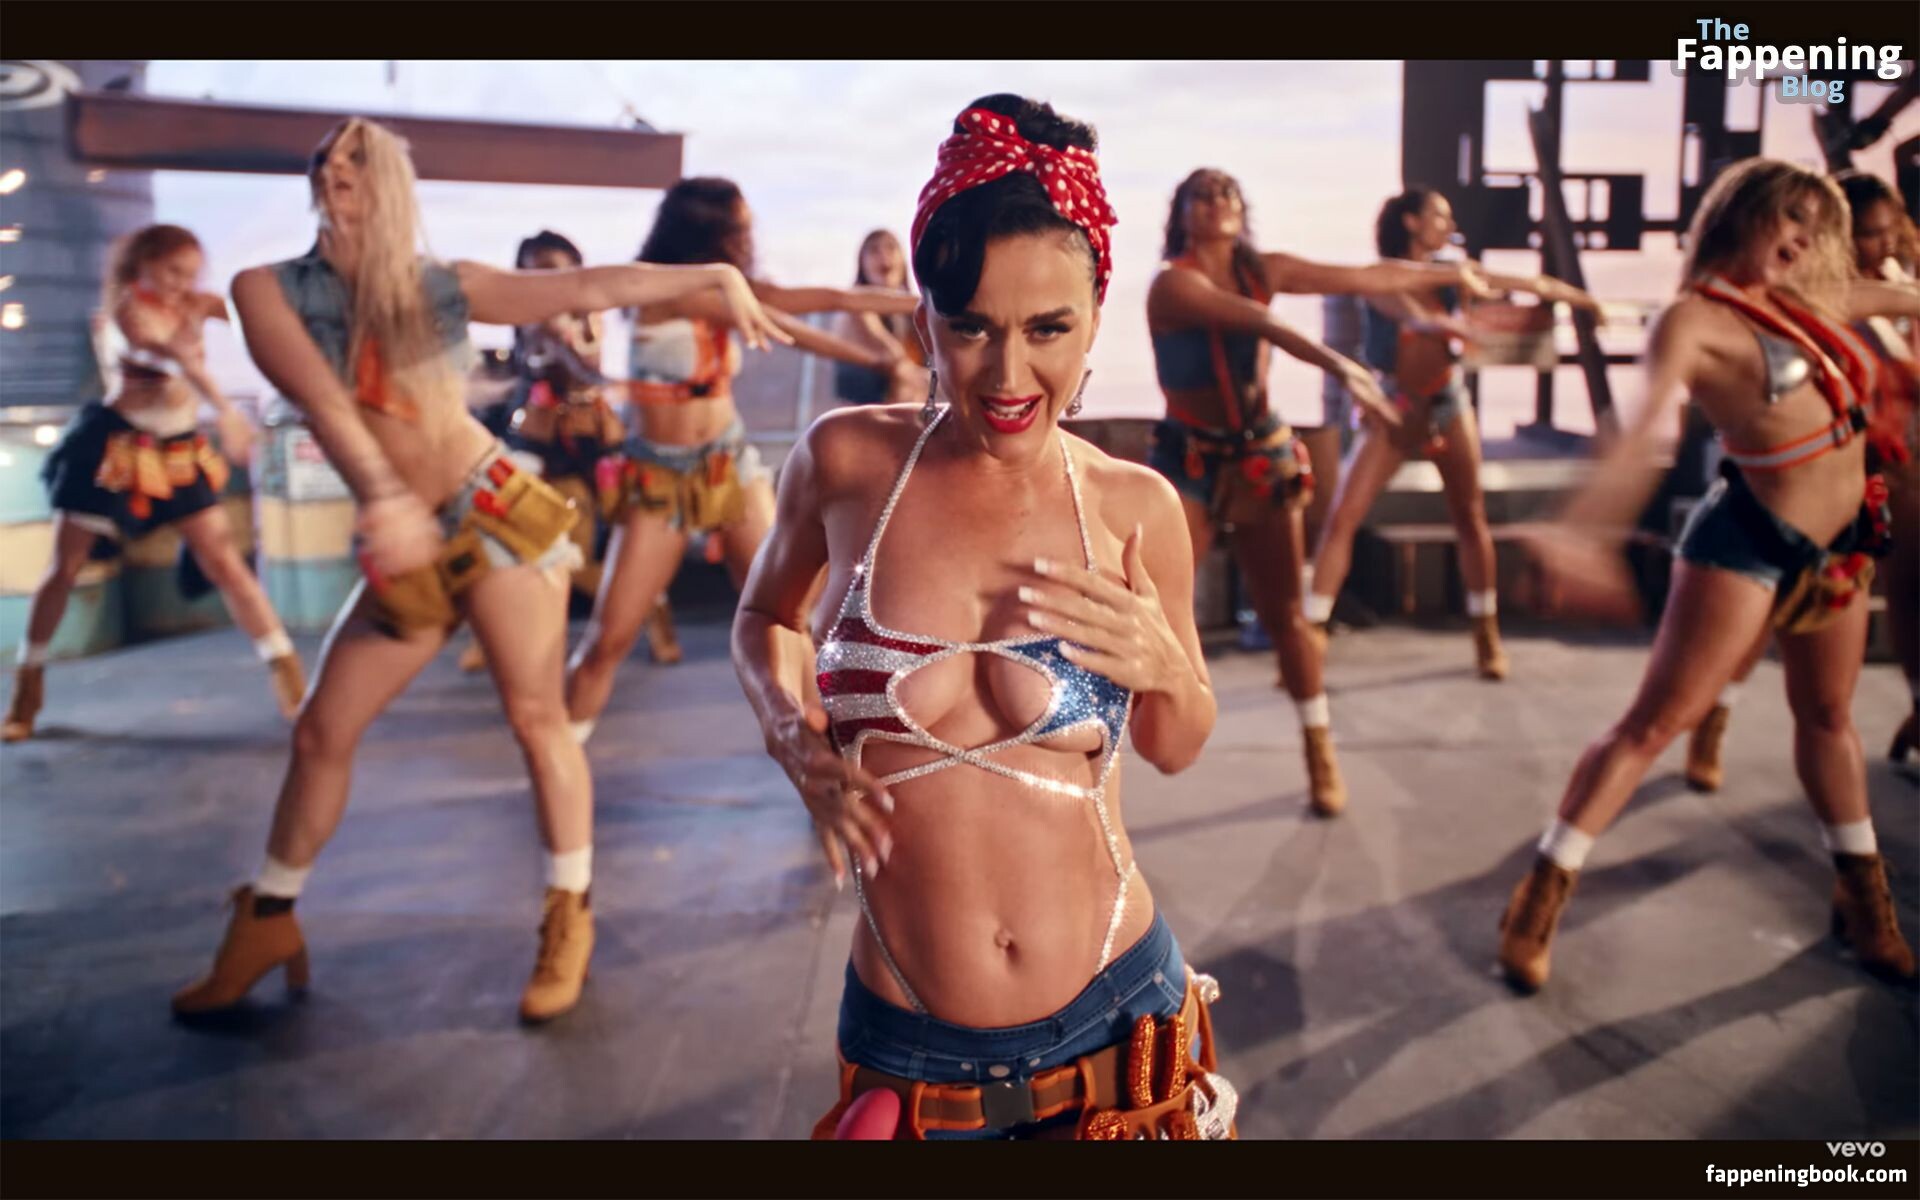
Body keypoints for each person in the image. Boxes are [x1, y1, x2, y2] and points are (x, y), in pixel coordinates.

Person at [169, 117, 787, 1023]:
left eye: (359, 159)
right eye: (328, 158)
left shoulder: (443, 285)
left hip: (493, 514)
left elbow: (590, 284)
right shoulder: (265, 291)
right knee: (321, 731)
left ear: (390, 184)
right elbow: (322, 399)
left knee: (537, 719)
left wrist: (714, 276)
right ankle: (267, 918)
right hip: (407, 533)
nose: (337, 167)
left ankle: (568, 917)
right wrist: (383, 498)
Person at [734, 95, 1235, 1140]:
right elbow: (763, 620)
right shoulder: (845, 464)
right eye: (971, 328)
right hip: (909, 1049)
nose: (1010, 376)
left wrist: (1166, 669)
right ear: (925, 320)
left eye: (1049, 329)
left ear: (1095, 314)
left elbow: (1177, 746)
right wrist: (789, 734)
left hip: (1122, 1025)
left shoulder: (1132, 508)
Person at [1501, 158, 1919, 993]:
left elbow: (1896, 298)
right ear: (1742, 216)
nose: (1801, 237)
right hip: (1745, 543)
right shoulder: (1693, 319)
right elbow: (1639, 430)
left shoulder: (1811, 302)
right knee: (1653, 725)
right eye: (1788, 217)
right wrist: (1585, 530)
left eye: (1815, 226)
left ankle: (1862, 898)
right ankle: (1540, 894)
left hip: (1843, 547)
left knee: (1828, 717)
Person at [1146, 168, 1483, 816]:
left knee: (1288, 618)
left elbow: (1364, 278)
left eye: (1226, 193)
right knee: (1158, 606)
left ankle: (1318, 748)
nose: (1216, 202)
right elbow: (1256, 322)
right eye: (1201, 195)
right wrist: (1343, 367)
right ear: (1181, 213)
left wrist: (1442, 274)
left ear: (1242, 210)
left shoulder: (1262, 268)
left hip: (1258, 453)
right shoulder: (1173, 284)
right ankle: (1113, 753)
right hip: (1190, 456)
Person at [563, 177, 922, 743]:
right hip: (661, 476)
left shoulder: (728, 289)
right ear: (707, 229)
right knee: (608, 638)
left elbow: (835, 299)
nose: (748, 238)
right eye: (740, 227)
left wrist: (926, 301)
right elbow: (790, 323)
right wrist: (872, 358)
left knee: (789, 616)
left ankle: (830, 748)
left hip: (727, 464)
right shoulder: (666, 290)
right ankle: (559, 746)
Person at [3, 224, 303, 743]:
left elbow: (258, 315)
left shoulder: (195, 303)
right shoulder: (129, 313)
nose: (180, 284)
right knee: (65, 568)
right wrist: (227, 410)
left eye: (190, 274)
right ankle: (27, 686)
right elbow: (173, 357)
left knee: (225, 562)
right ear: (142, 264)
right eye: (171, 272)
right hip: (116, 451)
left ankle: (288, 676)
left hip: (177, 450)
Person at [1305, 186, 1603, 682]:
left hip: (1447, 402)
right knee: (1344, 516)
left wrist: (1582, 300)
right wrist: (1456, 327)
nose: (1448, 224)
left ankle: (1486, 630)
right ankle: (1311, 632)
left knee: (1470, 516)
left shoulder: (1454, 272)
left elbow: (1528, 282)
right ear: (1411, 222)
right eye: (1439, 216)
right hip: (1395, 408)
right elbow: (1417, 319)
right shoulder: (1381, 278)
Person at [1684, 170, 1920, 784]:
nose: (1883, 245)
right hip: (1807, 481)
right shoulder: (1805, 301)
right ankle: (1713, 719)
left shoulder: (1896, 286)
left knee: (1904, 594)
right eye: (1869, 234)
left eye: (1890, 232)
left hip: (1885, 478)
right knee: (1762, 614)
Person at [456, 229, 682, 673]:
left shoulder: (582, 315)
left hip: (586, 442)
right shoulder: (522, 314)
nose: (540, 280)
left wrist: (566, 345)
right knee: (500, 530)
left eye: (551, 270)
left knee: (583, 549)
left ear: (573, 271)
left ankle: (651, 612)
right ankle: (488, 635)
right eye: (531, 271)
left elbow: (586, 366)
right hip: (533, 437)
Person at [833, 230, 927, 406]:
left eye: (891, 247)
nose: (883, 255)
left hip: (906, 409)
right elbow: (887, 348)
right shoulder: (854, 304)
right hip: (862, 411)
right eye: (873, 250)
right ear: (862, 263)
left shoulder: (912, 314)